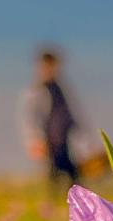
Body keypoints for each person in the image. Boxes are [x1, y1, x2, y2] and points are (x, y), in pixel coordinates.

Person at [19, 48, 81, 186]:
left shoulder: (59, 89)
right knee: (53, 174)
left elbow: (68, 114)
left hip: (62, 140)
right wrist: (34, 139)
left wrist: (84, 138)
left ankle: (71, 202)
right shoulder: (36, 91)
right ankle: (54, 202)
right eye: (47, 66)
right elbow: (30, 118)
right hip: (48, 141)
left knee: (72, 173)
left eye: (53, 66)